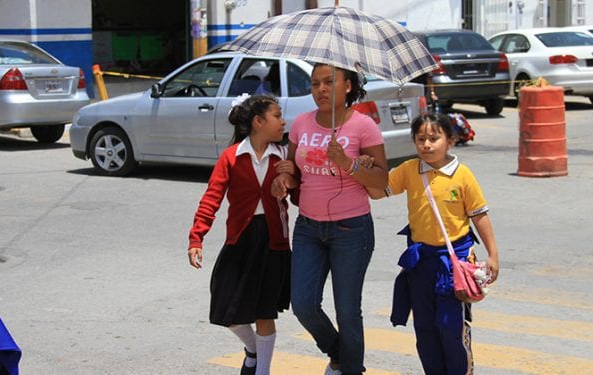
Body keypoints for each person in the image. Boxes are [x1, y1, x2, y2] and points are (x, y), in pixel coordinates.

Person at [272, 63, 389, 375]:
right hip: (308, 227)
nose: (320, 90)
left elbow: (380, 179)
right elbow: (295, 173)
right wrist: (286, 178)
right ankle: (340, 352)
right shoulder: (300, 124)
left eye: (328, 82)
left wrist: (347, 164)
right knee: (303, 304)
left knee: (348, 311)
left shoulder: (364, 126)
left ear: (347, 86)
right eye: (314, 84)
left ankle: (350, 369)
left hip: (351, 229)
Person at [370, 113, 499, 374]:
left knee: (451, 327)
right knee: (425, 330)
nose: (427, 144)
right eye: (421, 139)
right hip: (421, 265)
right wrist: (358, 166)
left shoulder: (462, 175)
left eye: (434, 138)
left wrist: (493, 254)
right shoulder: (408, 170)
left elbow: (479, 216)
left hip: (455, 264)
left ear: (450, 140)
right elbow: (377, 191)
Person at [187, 94, 295, 375]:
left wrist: (291, 178)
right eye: (277, 115)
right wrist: (196, 238)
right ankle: (253, 350)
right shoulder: (232, 156)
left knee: (265, 311)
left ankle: (263, 370)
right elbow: (212, 198)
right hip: (241, 240)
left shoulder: (284, 155)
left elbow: (300, 194)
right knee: (226, 308)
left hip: (274, 242)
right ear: (258, 122)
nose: (283, 121)